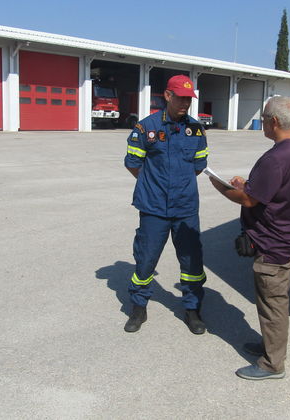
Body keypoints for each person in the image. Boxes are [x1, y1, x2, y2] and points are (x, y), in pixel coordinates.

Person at [209, 96, 290, 380]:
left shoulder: (277, 157)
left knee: (272, 303)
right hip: (288, 236)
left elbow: (248, 200)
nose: (263, 123)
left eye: (264, 119)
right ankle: (270, 346)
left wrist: (220, 185)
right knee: (272, 301)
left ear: (274, 122)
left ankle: (272, 364)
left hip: (275, 242)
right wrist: (249, 184)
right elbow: (270, 190)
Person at [123, 75, 209, 334]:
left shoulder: (195, 129)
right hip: (154, 208)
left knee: (192, 262)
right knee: (146, 260)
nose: (185, 103)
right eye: (181, 98)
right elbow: (133, 163)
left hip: (185, 208)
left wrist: (177, 186)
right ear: (167, 96)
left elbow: (198, 165)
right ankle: (139, 307)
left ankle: (192, 310)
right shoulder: (145, 127)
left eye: (189, 99)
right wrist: (156, 186)